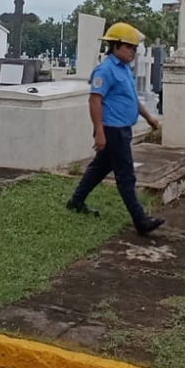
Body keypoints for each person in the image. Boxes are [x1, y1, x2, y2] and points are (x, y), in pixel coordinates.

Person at [65, 22, 165, 235]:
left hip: (122, 129)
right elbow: (94, 101)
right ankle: (141, 221)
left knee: (98, 169)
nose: (133, 52)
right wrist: (99, 132)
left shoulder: (124, 69)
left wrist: (149, 117)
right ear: (116, 47)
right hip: (112, 130)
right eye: (129, 48)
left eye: (134, 49)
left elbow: (131, 99)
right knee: (126, 176)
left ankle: (76, 201)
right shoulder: (106, 70)